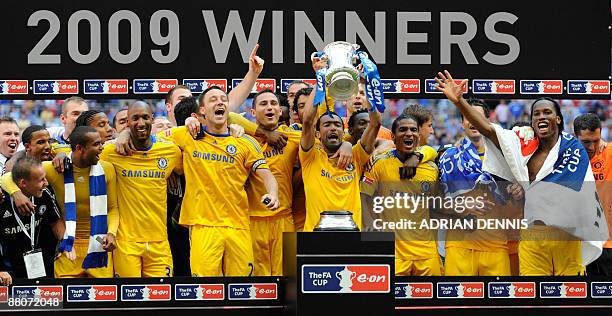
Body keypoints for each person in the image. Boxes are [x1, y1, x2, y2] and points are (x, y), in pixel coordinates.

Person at [435, 70, 607, 276]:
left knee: (570, 302)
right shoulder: (519, 145)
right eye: (536, 114)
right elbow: (488, 130)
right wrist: (459, 102)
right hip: (532, 235)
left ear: (559, 119)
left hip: (567, 235)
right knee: (532, 301)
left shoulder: (572, 149)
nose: (542, 116)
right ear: (531, 120)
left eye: (547, 112)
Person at [159, 86, 280, 276]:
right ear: (202, 111)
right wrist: (123, 136)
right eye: (213, 99)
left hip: (238, 225)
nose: (220, 102)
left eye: (223, 99)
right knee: (206, 291)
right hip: (203, 226)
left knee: (241, 290)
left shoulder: (245, 142)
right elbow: (148, 140)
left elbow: (267, 175)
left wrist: (272, 193)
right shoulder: (186, 135)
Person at [1, 126, 119, 278]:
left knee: (101, 299)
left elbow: (113, 208)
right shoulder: (55, 169)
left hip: (97, 245)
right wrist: (16, 193)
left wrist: (112, 233)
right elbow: (9, 177)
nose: (102, 148)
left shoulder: (107, 169)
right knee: (64, 299)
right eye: (96, 144)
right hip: (67, 246)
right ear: (79, 148)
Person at [438, 99, 520, 276]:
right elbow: (434, 205)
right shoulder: (448, 158)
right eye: (468, 116)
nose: (473, 121)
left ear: (487, 121)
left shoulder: (507, 158)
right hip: (458, 246)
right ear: (461, 123)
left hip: (496, 246)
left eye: (478, 117)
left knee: (499, 303)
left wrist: (518, 192)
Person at [101, 101, 182, 277]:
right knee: (130, 300)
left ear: (152, 120)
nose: (141, 123)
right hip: (125, 242)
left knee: (161, 298)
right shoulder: (111, 151)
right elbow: (81, 156)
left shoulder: (170, 151)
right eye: (135, 118)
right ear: (127, 123)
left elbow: (186, 168)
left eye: (145, 117)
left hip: (159, 241)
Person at [361, 114, 442, 276]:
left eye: (413, 130)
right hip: (394, 252)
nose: (409, 134)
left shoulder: (431, 169)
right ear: (393, 136)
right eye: (403, 130)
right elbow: (363, 197)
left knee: (431, 299)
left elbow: (435, 208)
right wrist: (370, 229)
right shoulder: (380, 163)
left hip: (426, 252)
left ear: (419, 136)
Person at [299, 84, 381, 231]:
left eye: (337, 125)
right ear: (317, 134)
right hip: (316, 234)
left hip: (351, 235)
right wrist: (320, 82)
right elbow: (307, 121)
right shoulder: (310, 156)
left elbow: (375, 123)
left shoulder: (356, 155)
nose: (332, 128)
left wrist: (370, 84)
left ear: (343, 134)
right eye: (327, 125)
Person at [246, 90, 301, 276]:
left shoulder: (292, 138)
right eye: (263, 104)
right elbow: (228, 115)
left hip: (284, 219)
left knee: (288, 282)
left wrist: (346, 145)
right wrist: (264, 134)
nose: (269, 107)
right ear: (252, 113)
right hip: (252, 221)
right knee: (257, 285)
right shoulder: (244, 139)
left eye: (273, 103)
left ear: (280, 111)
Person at [0, 157, 64, 278]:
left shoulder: (44, 194)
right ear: (23, 183)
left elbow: (55, 220)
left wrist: (65, 244)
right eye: (41, 180)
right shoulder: (2, 200)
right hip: (8, 270)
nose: (46, 183)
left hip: (40, 265)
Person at [574, 113, 612, 276]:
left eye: (596, 140)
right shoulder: (567, 158)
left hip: (607, 244)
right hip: (578, 245)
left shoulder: (609, 152)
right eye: (586, 142)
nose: (591, 147)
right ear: (575, 136)